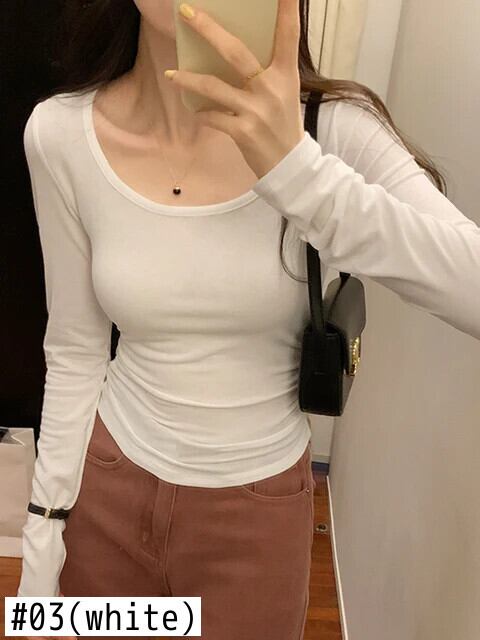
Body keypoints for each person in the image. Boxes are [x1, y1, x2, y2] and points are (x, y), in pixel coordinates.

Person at [19, 0, 480, 638]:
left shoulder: (330, 128)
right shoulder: (59, 133)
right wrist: (42, 535)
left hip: (256, 514)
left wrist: (298, 172)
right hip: (105, 490)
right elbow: (74, 350)